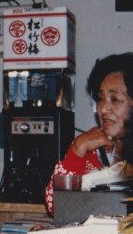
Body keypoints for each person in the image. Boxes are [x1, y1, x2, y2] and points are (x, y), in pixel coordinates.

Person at [44, 52, 133, 215]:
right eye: (100, 98)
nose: (104, 109)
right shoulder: (88, 147)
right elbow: (56, 207)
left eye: (114, 99)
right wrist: (78, 150)